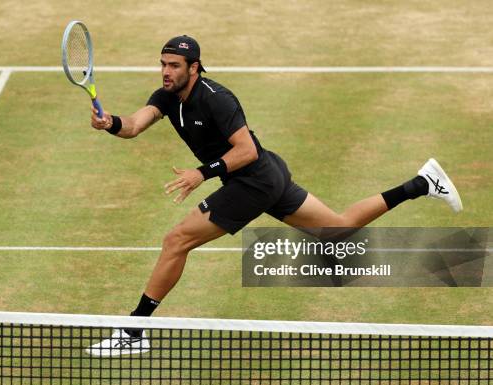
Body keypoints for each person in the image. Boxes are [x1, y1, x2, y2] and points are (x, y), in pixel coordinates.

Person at [85, 35, 463, 356]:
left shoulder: (217, 99)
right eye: (163, 64)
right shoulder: (166, 96)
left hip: (254, 182)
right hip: (268, 175)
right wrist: (110, 123)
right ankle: (420, 184)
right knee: (338, 227)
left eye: (174, 65)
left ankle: (133, 332)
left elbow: (245, 150)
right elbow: (134, 125)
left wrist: (202, 173)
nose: (166, 72)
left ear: (194, 67)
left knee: (176, 241)